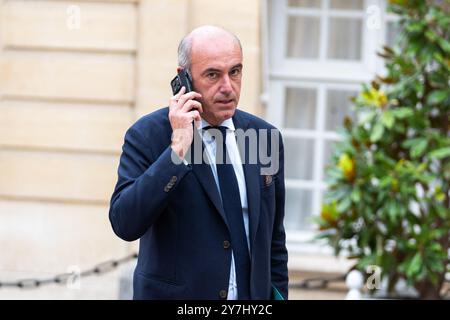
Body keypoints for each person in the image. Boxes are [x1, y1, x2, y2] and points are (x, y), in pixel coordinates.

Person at [109, 25, 288, 300]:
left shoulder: (264, 137)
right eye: (213, 75)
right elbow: (125, 223)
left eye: (235, 72)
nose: (228, 87)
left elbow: (274, 241)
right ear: (184, 79)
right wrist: (177, 149)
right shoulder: (148, 135)